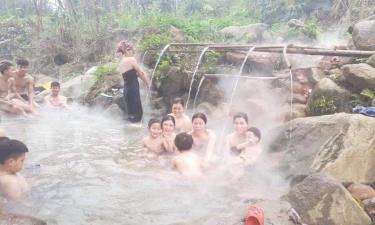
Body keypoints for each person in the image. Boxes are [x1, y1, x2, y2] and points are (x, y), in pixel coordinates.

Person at [117, 40, 149, 123]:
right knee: (137, 115)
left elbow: (130, 75)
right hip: (133, 90)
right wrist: (147, 83)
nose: (133, 52)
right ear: (126, 50)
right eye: (131, 49)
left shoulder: (122, 62)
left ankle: (130, 135)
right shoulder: (131, 59)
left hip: (127, 91)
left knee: (131, 115)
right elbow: (140, 73)